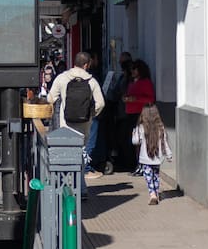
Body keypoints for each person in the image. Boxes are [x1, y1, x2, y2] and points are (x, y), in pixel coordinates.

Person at [46, 52, 106, 181]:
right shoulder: (91, 81)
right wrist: (91, 114)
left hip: (66, 123)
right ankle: (81, 186)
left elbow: (50, 98)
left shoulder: (62, 78)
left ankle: (67, 183)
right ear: (86, 65)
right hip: (84, 123)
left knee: (67, 152)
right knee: (82, 151)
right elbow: (101, 103)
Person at [132, 103, 173, 205]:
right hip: (157, 158)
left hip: (145, 158)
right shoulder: (160, 127)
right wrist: (169, 155)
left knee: (148, 175)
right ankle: (156, 192)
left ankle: (152, 194)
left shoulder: (140, 128)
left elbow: (135, 141)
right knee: (156, 175)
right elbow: (165, 142)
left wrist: (134, 132)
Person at [120, 59, 155, 174]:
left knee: (141, 140)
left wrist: (135, 99)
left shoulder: (145, 82)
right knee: (135, 141)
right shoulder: (131, 82)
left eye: (135, 68)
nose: (132, 71)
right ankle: (137, 163)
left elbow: (150, 99)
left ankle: (143, 164)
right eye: (132, 69)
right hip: (130, 113)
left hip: (141, 114)